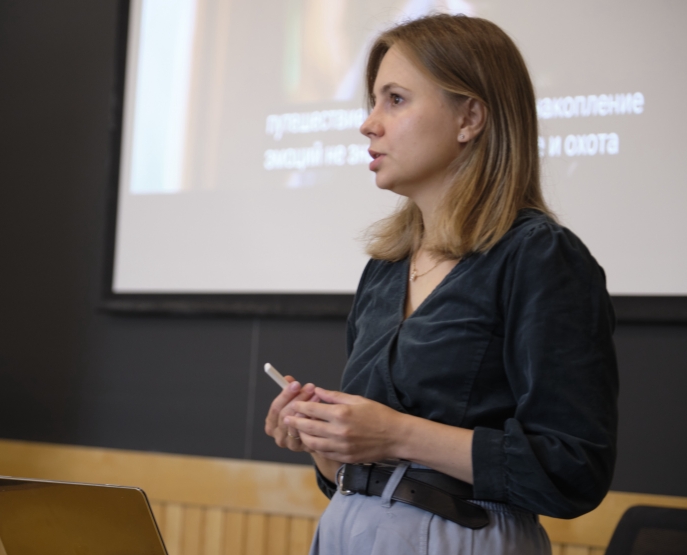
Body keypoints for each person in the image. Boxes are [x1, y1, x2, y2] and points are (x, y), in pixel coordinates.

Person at [264, 13, 618, 555]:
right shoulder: (384, 268)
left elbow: (573, 470)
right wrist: (322, 440)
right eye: (372, 102)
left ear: (469, 117)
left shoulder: (539, 256)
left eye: (396, 99)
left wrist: (394, 432)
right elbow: (370, 473)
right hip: (347, 530)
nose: (368, 124)